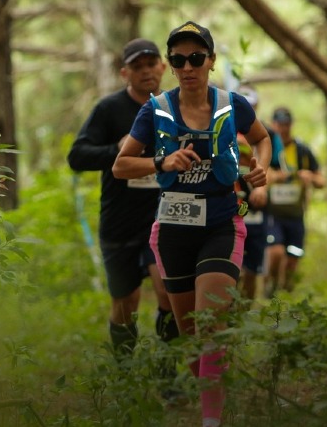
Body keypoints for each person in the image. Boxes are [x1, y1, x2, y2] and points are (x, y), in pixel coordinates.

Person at [112, 21, 271, 427]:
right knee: (190, 337)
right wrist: (162, 161)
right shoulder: (156, 110)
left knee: (210, 327)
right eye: (179, 60)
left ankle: (211, 419)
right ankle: (218, 389)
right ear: (171, 65)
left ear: (211, 62)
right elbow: (120, 165)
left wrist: (261, 170)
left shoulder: (233, 104)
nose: (188, 66)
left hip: (221, 223)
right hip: (172, 231)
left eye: (196, 58)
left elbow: (262, 138)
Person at [67, 38, 179, 358]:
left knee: (166, 293)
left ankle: (167, 377)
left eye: (150, 65)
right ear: (124, 73)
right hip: (120, 221)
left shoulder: (175, 108)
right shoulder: (109, 109)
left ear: (162, 67)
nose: (146, 72)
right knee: (126, 303)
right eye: (137, 67)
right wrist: (117, 148)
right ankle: (125, 375)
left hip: (163, 218)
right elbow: (77, 156)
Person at [264, 106, 325, 296]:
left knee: (292, 258)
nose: (283, 129)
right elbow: (256, 174)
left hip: (296, 215)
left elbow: (321, 181)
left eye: (286, 125)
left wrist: (310, 177)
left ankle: (286, 293)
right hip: (273, 213)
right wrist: (274, 177)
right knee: (275, 253)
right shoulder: (267, 148)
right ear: (273, 125)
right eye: (279, 125)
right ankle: (270, 287)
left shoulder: (302, 150)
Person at [234, 85, 271, 301]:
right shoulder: (220, 129)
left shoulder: (267, 134)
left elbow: (277, 169)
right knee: (231, 267)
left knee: (251, 269)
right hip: (230, 205)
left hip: (255, 209)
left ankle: (244, 313)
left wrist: (262, 186)